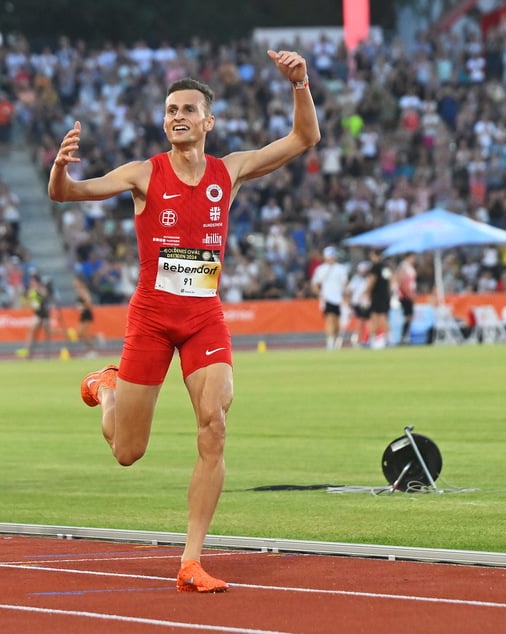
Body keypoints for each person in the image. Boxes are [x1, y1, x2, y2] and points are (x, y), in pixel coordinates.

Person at [48, 51, 320, 592]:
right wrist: (59, 168)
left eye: (188, 109)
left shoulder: (230, 170)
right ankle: (107, 390)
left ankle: (191, 561)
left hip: (203, 318)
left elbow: (303, 139)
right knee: (128, 452)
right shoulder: (143, 173)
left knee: (214, 423)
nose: (177, 116)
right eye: (171, 108)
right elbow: (69, 194)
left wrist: (300, 85)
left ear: (207, 121)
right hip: (151, 319)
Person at [310, 246, 349, 350]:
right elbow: (314, 284)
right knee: (330, 319)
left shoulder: (341, 269)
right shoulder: (321, 269)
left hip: (338, 298)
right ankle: (330, 343)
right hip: (327, 298)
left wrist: (345, 296)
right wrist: (320, 294)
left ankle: (334, 339)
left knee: (336, 322)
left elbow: (344, 284)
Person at [19, 272, 54, 358]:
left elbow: (45, 297)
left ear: (37, 281)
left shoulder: (41, 289)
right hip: (38, 314)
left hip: (44, 314)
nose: (31, 283)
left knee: (47, 332)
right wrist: (29, 302)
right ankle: (28, 352)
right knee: (31, 332)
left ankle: (28, 352)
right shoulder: (32, 291)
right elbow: (28, 302)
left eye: (33, 281)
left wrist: (36, 296)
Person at [365, 249, 392, 349]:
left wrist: (367, 293)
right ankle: (385, 339)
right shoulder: (386, 267)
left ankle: (376, 340)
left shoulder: (375, 267)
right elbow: (389, 281)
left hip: (377, 295)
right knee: (378, 317)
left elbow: (372, 281)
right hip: (385, 295)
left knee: (378, 317)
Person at [393, 252, 418, 345]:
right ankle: (403, 337)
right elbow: (402, 282)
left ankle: (405, 336)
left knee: (409, 316)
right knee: (408, 316)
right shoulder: (403, 267)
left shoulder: (409, 267)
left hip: (408, 294)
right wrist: (409, 293)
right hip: (405, 295)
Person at [347, 261, 372, 346]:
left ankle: (368, 339)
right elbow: (349, 291)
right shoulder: (356, 279)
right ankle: (359, 340)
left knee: (369, 322)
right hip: (357, 303)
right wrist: (349, 303)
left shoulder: (370, 278)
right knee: (360, 322)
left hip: (367, 303)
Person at [73, 273, 97, 357]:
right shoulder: (78, 291)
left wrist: (83, 307)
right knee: (79, 333)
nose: (74, 282)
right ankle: (96, 338)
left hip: (87, 314)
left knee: (83, 333)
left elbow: (89, 303)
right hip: (83, 314)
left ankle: (92, 350)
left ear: (80, 282)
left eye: (76, 281)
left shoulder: (83, 290)